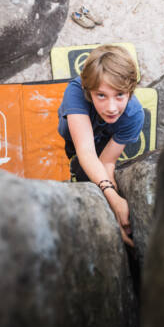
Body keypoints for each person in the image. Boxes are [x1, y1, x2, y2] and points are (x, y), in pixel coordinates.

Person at [58, 45, 145, 247]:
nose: (112, 107)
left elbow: (107, 161)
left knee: (95, 168)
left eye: (120, 95)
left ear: (131, 92)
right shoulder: (76, 91)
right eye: (101, 95)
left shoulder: (133, 116)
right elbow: (86, 151)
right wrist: (112, 197)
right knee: (78, 157)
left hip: (105, 137)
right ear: (88, 92)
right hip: (76, 138)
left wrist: (113, 203)